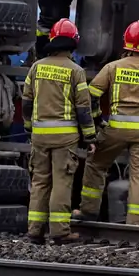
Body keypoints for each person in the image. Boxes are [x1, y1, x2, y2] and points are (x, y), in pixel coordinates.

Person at [76, 20, 139, 224]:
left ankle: (88, 210)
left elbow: (91, 95)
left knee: (96, 165)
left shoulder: (112, 67)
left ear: (125, 42)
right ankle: (136, 223)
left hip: (116, 130)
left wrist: (97, 119)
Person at [22, 19, 96, 244]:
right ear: (73, 43)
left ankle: (34, 232)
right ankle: (60, 232)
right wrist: (90, 136)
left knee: (40, 182)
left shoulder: (37, 67)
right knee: (61, 183)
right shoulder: (76, 71)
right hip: (65, 138)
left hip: (39, 136)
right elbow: (83, 109)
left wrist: (29, 127)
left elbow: (26, 101)